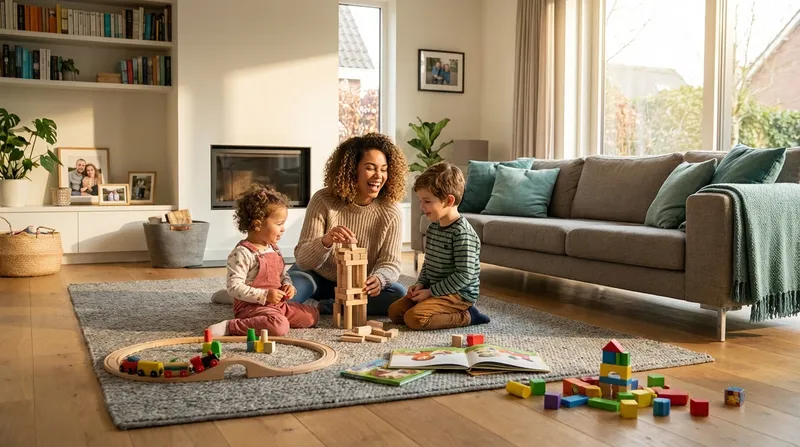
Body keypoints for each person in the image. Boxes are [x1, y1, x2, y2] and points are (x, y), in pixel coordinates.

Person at [287, 132, 408, 315]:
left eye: (383, 169)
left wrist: (380, 278)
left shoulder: (390, 211)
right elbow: (303, 259)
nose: (379, 176)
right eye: (370, 168)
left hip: (357, 286)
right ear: (352, 169)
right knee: (288, 293)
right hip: (316, 278)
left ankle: (323, 306)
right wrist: (325, 241)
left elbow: (390, 263)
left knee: (398, 294)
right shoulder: (323, 200)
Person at [388, 161, 490, 330]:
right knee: (395, 313)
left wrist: (430, 293)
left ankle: (468, 315)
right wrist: (421, 284)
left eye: (427, 201)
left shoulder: (462, 234)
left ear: (449, 200)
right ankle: (431, 306)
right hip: (435, 289)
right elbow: (429, 263)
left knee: (414, 319)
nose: (422, 207)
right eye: (421, 201)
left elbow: (464, 275)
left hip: (458, 295)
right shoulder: (433, 227)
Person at [207, 184, 319, 337]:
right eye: (279, 224)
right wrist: (265, 295)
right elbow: (234, 287)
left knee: (312, 316)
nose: (283, 229)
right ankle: (231, 327)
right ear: (257, 224)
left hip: (277, 305)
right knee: (279, 327)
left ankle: (275, 317)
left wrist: (287, 285)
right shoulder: (242, 253)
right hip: (252, 308)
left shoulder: (274, 249)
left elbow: (282, 275)